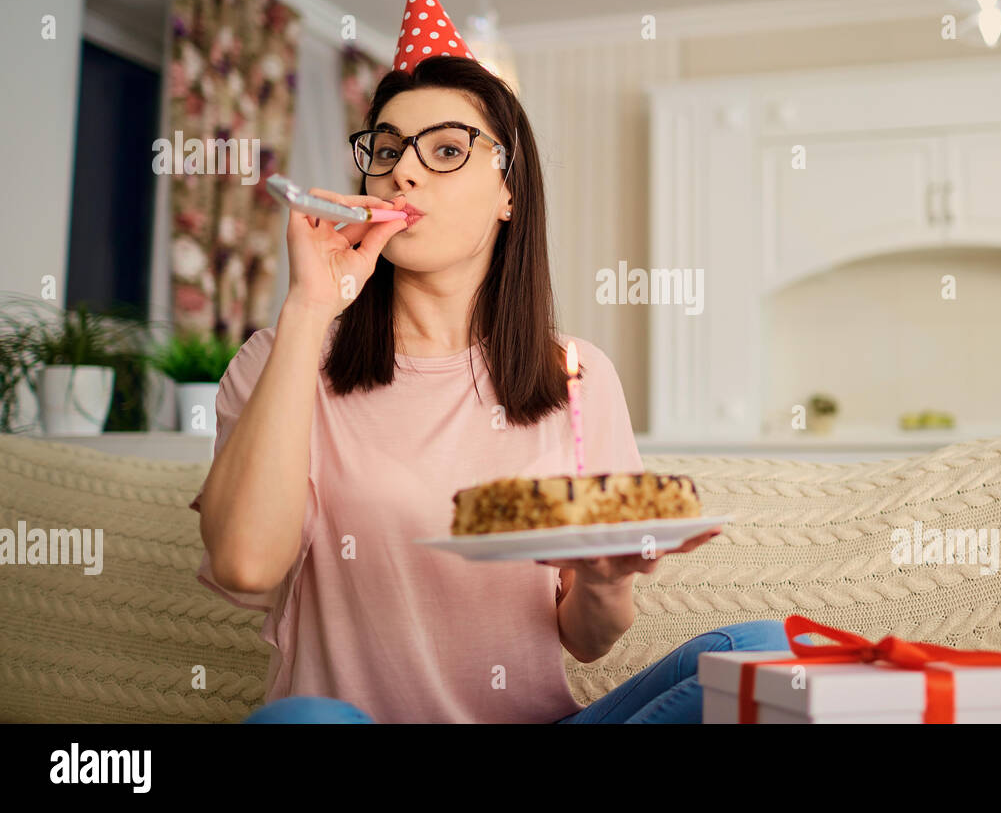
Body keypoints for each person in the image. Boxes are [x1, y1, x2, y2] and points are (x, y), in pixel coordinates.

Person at [192, 52, 790, 723]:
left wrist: (604, 578)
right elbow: (245, 564)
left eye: (446, 149)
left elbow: (588, 641)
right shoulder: (282, 357)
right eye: (385, 152)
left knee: (766, 652)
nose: (402, 172)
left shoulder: (577, 376)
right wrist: (308, 309)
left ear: (509, 191)